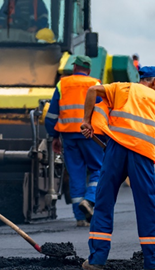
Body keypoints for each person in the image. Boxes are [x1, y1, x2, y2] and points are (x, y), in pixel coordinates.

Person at [79, 66, 155, 270]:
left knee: (103, 202)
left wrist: (86, 120)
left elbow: (93, 90)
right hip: (142, 154)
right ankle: (152, 263)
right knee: (147, 205)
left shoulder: (122, 88)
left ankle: (96, 261)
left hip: (115, 149)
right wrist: (142, 166)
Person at [44, 55, 108, 227]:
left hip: (68, 136)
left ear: (74, 68)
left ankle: (80, 218)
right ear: (88, 70)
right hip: (91, 135)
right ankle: (90, 199)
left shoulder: (62, 84)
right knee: (99, 169)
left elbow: (51, 115)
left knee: (76, 174)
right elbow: (103, 111)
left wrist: (53, 136)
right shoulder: (95, 83)